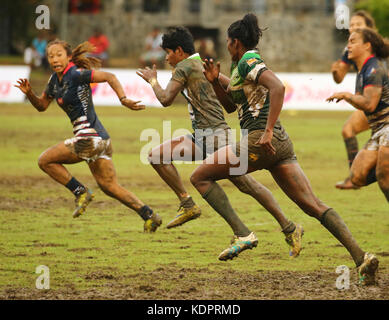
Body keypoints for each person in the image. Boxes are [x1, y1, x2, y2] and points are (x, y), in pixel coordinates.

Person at [195, 13, 378, 285]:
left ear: (235, 42)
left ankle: (242, 232)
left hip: (260, 140)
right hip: (278, 144)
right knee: (313, 205)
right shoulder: (239, 67)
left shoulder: (248, 60)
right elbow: (232, 107)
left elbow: (278, 86)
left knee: (199, 177)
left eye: (228, 42)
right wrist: (213, 81)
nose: (227, 46)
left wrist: (267, 131)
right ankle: (361, 258)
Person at [136, 27, 304, 258]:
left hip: (214, 138)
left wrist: (153, 81)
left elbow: (165, 99)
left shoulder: (184, 66)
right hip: (205, 136)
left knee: (247, 184)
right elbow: (230, 88)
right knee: (157, 155)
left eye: (168, 52)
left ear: (179, 51)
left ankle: (266, 230)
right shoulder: (201, 65)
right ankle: (189, 205)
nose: (166, 58)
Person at [15, 39, 162, 233]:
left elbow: (109, 76)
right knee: (109, 186)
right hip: (101, 140)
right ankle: (149, 215)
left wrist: (123, 99)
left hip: (90, 139)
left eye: (59, 55)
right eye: (51, 56)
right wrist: (30, 94)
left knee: (45, 161)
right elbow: (42, 106)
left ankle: (80, 191)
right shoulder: (53, 81)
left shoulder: (76, 74)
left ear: (68, 57)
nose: (54, 59)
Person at [327, 28, 389, 203]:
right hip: (379, 130)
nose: (348, 46)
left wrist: (347, 95)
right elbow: (365, 105)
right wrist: (349, 97)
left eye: (353, 42)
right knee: (357, 177)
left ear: (367, 46)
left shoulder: (374, 69)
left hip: (388, 128)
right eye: (348, 42)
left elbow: (369, 104)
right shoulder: (363, 71)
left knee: (384, 178)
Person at [331, 11, 377, 189]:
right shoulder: (351, 47)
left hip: (378, 101)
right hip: (369, 101)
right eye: (352, 25)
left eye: (359, 24)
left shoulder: (378, 45)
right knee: (348, 130)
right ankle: (355, 177)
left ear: (369, 28)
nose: (354, 27)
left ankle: (358, 177)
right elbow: (339, 76)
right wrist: (335, 71)